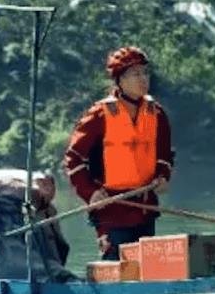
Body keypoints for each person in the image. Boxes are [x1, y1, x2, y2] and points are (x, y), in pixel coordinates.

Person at [62, 46, 174, 260]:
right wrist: (91, 193)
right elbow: (73, 159)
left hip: (144, 207)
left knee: (144, 270)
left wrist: (163, 176)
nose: (143, 79)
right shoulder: (98, 115)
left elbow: (165, 155)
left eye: (145, 73)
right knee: (117, 268)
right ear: (119, 80)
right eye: (135, 74)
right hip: (111, 211)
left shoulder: (156, 113)